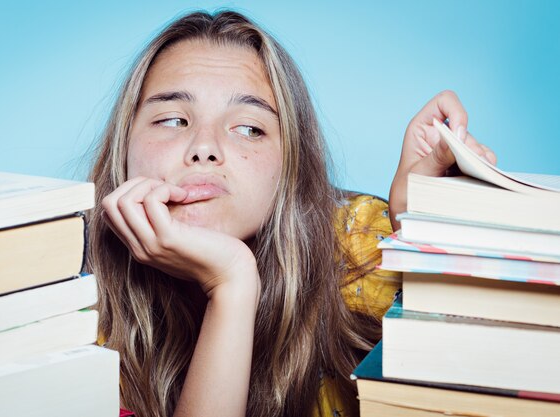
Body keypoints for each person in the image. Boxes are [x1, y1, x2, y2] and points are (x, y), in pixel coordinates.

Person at [87, 10, 495, 417]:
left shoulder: (359, 244)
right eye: (174, 120)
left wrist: (425, 236)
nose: (204, 147)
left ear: (290, 164)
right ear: (124, 147)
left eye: (249, 128)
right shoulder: (68, 296)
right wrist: (232, 282)